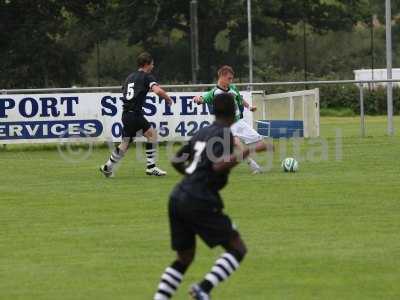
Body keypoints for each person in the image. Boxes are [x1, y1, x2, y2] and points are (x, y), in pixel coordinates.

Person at [153, 93, 268, 300]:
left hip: (177, 197)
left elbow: (176, 160)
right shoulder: (224, 133)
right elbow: (217, 166)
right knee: (237, 248)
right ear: (233, 113)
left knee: (184, 257)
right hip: (199, 200)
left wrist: (191, 177)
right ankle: (202, 289)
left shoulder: (202, 132)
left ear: (214, 111)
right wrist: (249, 150)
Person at [100, 52, 173, 177]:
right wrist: (167, 99)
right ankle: (151, 167)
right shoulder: (147, 77)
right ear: (146, 64)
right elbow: (158, 90)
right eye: (152, 64)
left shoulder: (130, 77)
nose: (153, 66)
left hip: (126, 115)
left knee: (125, 143)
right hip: (135, 114)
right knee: (152, 135)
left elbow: (128, 91)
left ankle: (108, 167)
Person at [193, 65, 265, 174]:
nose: (231, 81)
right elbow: (202, 99)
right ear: (221, 76)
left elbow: (240, 99)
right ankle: (253, 165)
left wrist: (249, 107)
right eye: (229, 78)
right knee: (236, 142)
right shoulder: (214, 92)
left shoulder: (233, 88)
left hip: (239, 122)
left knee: (260, 142)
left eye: (232, 78)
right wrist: (197, 99)